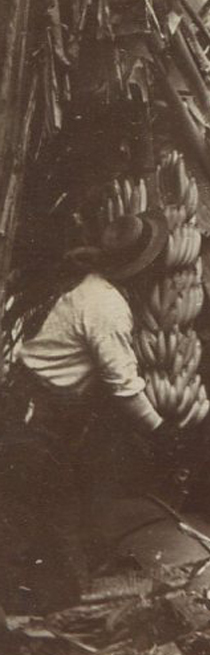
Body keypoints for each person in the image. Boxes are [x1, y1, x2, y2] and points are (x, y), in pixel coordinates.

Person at [1, 211, 172, 611]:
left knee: (30, 511)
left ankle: (31, 599)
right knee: (46, 517)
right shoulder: (105, 304)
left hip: (21, 404)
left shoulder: (78, 283)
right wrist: (161, 430)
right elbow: (123, 386)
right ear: (140, 269)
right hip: (33, 419)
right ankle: (42, 609)